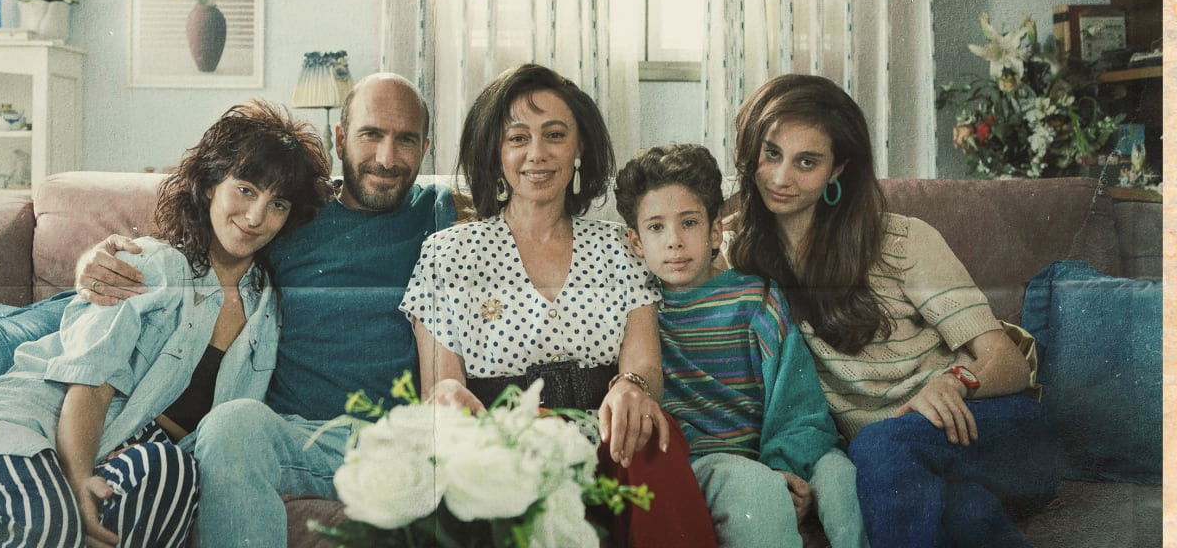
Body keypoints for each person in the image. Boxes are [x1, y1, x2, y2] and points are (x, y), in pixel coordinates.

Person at [0, 100, 333, 548]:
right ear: (211, 184)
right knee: (53, 522)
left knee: (176, 474)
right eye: (246, 190)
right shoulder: (150, 264)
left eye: (277, 204)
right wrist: (79, 479)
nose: (256, 217)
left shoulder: (266, 308)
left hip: (128, 452)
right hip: (17, 436)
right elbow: (90, 384)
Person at [74, 74, 460, 548]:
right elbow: (200, 243)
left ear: (425, 148)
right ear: (340, 139)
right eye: (371, 134)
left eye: (405, 140)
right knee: (230, 426)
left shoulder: (440, 213)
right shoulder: (293, 213)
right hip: (290, 437)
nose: (386, 157)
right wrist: (92, 261)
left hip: (397, 442)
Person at [727, 74, 1058, 548]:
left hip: (992, 428)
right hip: (900, 469)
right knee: (964, 511)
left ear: (838, 169)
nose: (780, 178)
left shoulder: (901, 240)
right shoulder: (735, 260)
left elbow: (1008, 363)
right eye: (771, 153)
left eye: (807, 161)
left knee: (881, 443)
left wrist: (953, 383)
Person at [398, 64, 718, 548]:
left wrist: (632, 388)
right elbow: (441, 383)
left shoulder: (620, 247)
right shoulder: (449, 252)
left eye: (554, 135)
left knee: (653, 432)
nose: (537, 153)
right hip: (503, 443)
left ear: (579, 147)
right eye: (517, 138)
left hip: (606, 439)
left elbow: (644, 364)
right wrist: (446, 399)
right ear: (495, 152)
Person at [613, 143, 868, 548]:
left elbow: (796, 401)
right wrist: (769, 481)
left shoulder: (756, 298)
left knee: (843, 479)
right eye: (656, 227)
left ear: (715, 230)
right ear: (636, 242)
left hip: (780, 448)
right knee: (750, 486)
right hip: (707, 463)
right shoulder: (641, 313)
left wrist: (784, 469)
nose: (674, 241)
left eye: (689, 223)